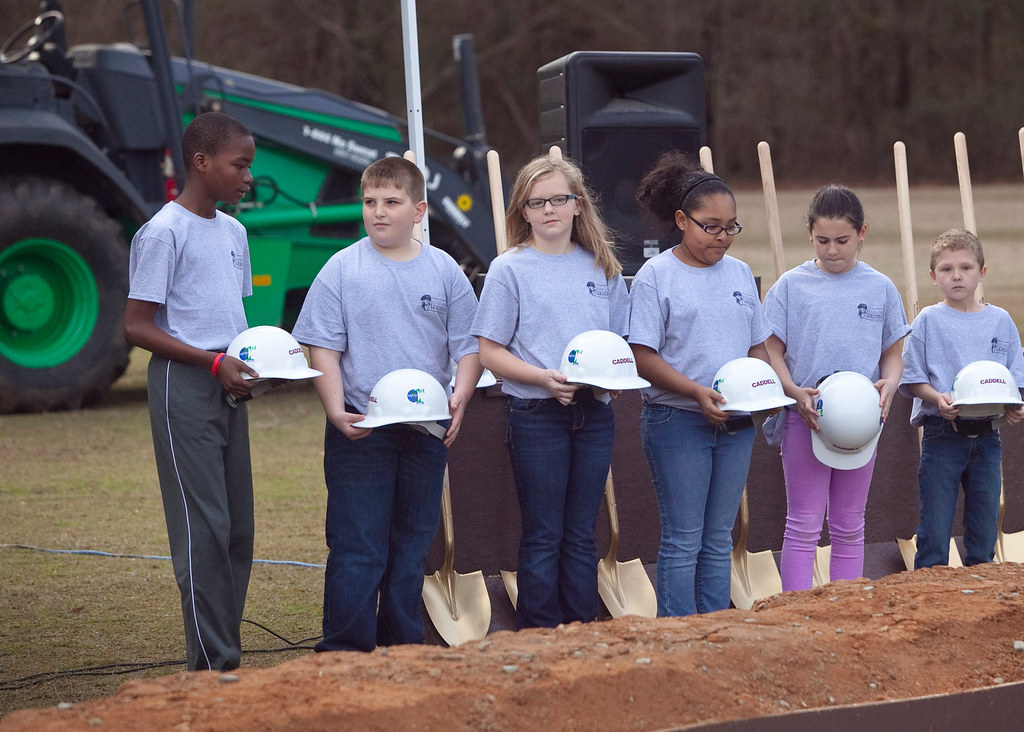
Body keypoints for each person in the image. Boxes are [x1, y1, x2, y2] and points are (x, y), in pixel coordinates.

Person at [291, 156, 481, 652]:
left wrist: (460, 396)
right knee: (358, 544)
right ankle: (346, 652)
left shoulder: (444, 271)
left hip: (426, 430)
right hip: (361, 428)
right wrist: (336, 410)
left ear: (418, 211)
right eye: (369, 201)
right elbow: (322, 347)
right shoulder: (341, 269)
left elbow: (469, 345)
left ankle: (402, 650)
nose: (378, 212)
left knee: (412, 543)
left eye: (392, 202)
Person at [124, 111, 259, 671]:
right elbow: (136, 326)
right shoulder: (163, 233)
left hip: (228, 383)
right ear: (201, 163)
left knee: (238, 530)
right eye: (239, 165)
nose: (248, 177)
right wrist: (212, 362)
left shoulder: (234, 232)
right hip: (184, 383)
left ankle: (223, 653)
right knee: (203, 530)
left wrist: (255, 362)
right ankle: (212, 666)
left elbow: (227, 315)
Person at [472, 154, 628, 629]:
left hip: (593, 414)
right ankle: (540, 633)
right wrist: (542, 378)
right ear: (523, 211)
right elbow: (489, 351)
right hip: (536, 414)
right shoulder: (509, 269)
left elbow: (620, 343)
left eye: (558, 199)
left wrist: (613, 379)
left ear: (578, 204)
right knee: (544, 531)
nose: (549, 210)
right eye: (536, 203)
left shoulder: (602, 267)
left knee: (581, 530)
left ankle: (580, 630)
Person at [627, 151, 773, 617]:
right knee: (684, 538)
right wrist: (694, 392)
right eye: (710, 226)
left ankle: (716, 632)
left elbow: (757, 346)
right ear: (681, 221)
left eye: (731, 227)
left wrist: (763, 390)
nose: (722, 237)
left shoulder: (739, 275)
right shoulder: (656, 276)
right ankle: (679, 637)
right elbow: (641, 355)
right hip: (677, 421)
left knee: (718, 537)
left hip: (736, 423)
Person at [764, 184, 911, 591]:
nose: (832, 250)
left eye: (842, 241)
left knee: (849, 524)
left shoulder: (880, 287)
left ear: (862, 234)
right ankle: (796, 608)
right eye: (822, 240)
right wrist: (792, 390)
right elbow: (770, 350)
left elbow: (892, 354)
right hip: (805, 417)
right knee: (803, 523)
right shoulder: (791, 286)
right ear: (810, 234)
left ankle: (846, 609)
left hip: (862, 422)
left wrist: (890, 383)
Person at [899, 228, 1024, 568]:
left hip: (988, 438)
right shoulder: (927, 321)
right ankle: (930, 589)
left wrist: (1014, 406)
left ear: (981, 272)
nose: (957, 276)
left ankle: (980, 589)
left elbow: (1015, 379)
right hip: (943, 434)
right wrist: (936, 398)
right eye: (946, 269)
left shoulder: (1000, 321)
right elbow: (912, 377)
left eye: (966, 268)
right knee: (935, 528)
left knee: (984, 528)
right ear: (933, 276)